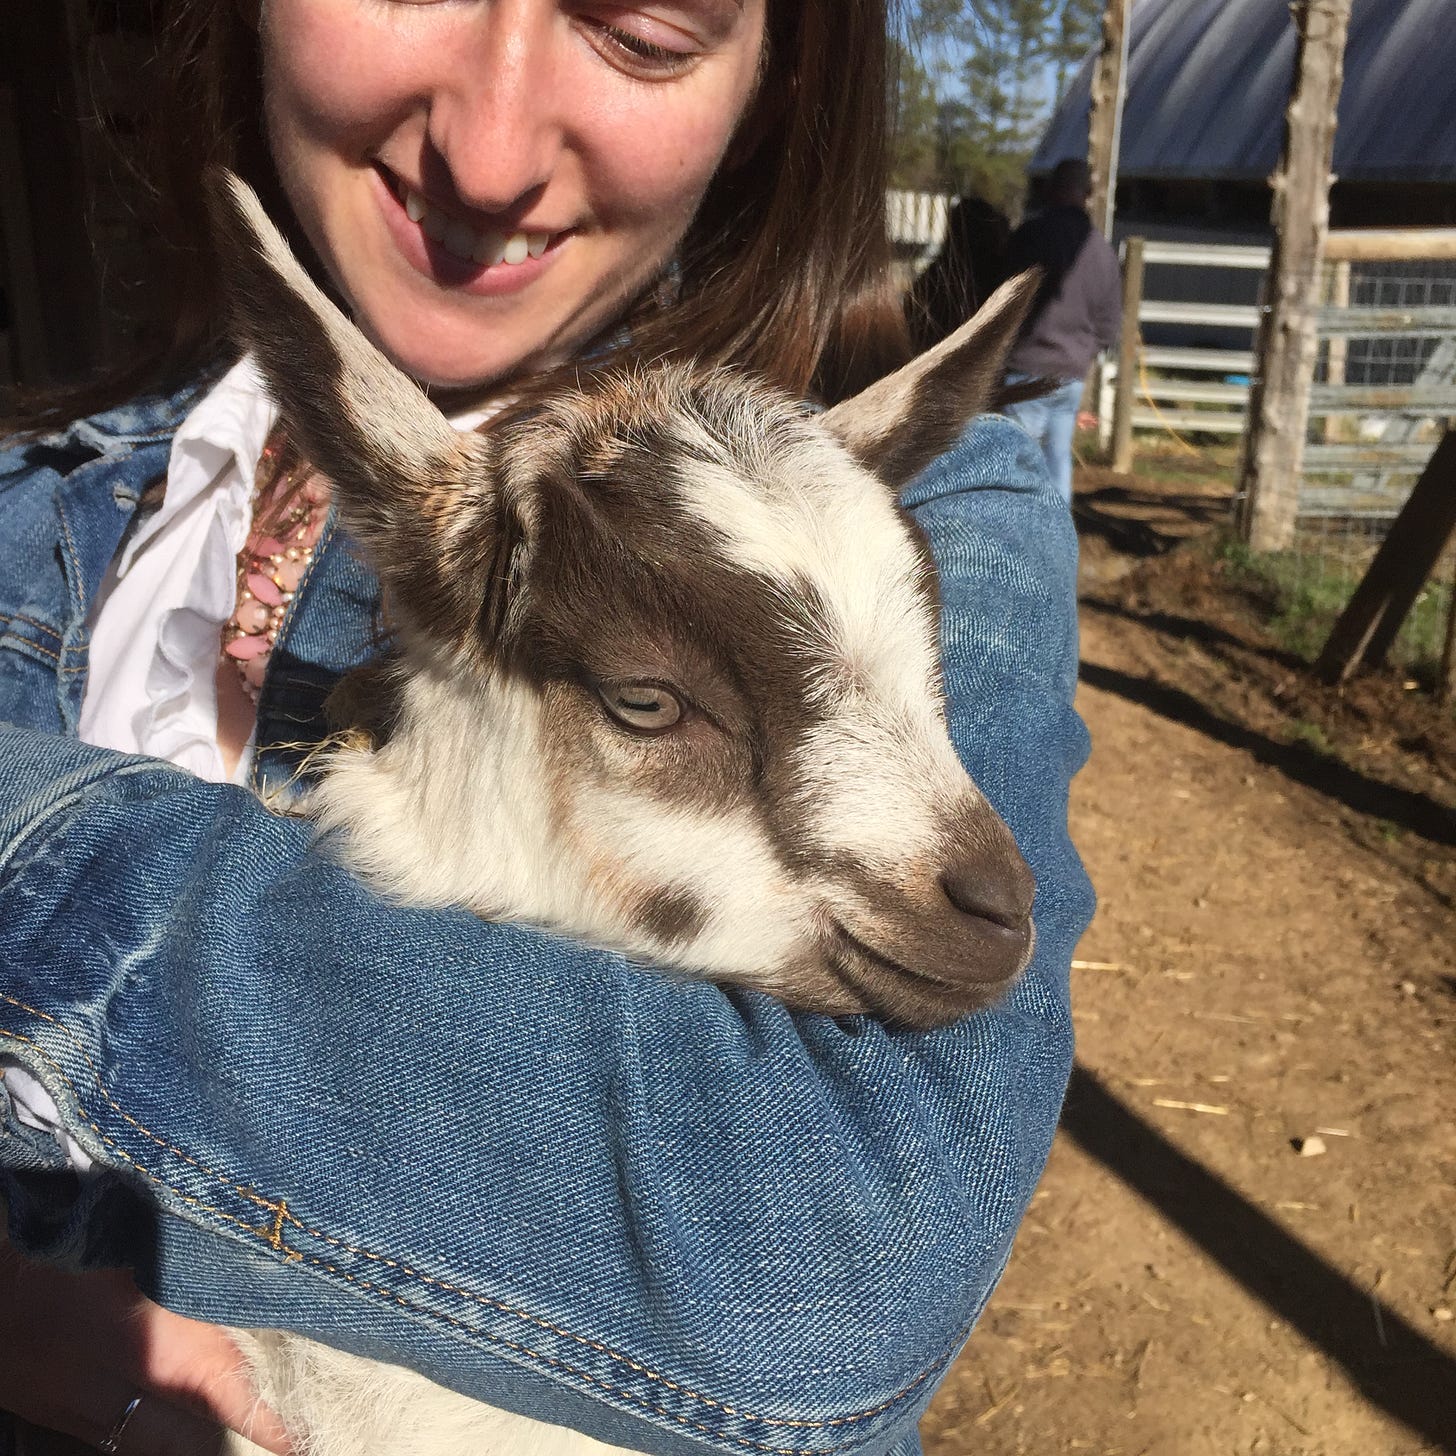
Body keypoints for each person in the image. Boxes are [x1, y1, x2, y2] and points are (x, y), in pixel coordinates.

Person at [0, 4, 1094, 1455]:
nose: (491, 151)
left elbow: (832, 1262)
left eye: (641, 31)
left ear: (777, 78)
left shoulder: (933, 503)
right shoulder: (47, 497)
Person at [1000, 157, 1123, 507]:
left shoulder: (1029, 238)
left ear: (1052, 190)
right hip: (1071, 375)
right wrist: (1084, 352)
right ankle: (1060, 546)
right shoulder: (1101, 252)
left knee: (1017, 462)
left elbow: (1000, 297)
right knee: (1057, 464)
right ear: (1087, 194)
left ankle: (1015, 546)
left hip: (1027, 367)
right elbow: (1109, 324)